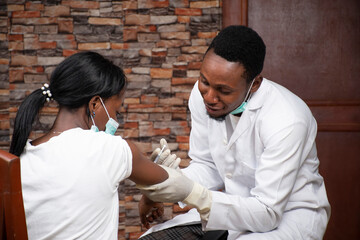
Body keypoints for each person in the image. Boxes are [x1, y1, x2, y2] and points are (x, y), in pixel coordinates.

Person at [137, 25, 331, 240]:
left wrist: (191, 193)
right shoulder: (202, 96)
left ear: (254, 84)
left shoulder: (287, 120)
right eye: (204, 82)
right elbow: (208, 166)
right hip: (233, 208)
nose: (209, 97)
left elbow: (267, 213)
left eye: (224, 90)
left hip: (287, 216)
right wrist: (163, 183)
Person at [9, 51, 170, 240]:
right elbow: (169, 182)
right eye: (116, 111)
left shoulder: (21, 156)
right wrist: (150, 197)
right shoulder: (108, 149)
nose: (116, 120)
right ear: (95, 104)